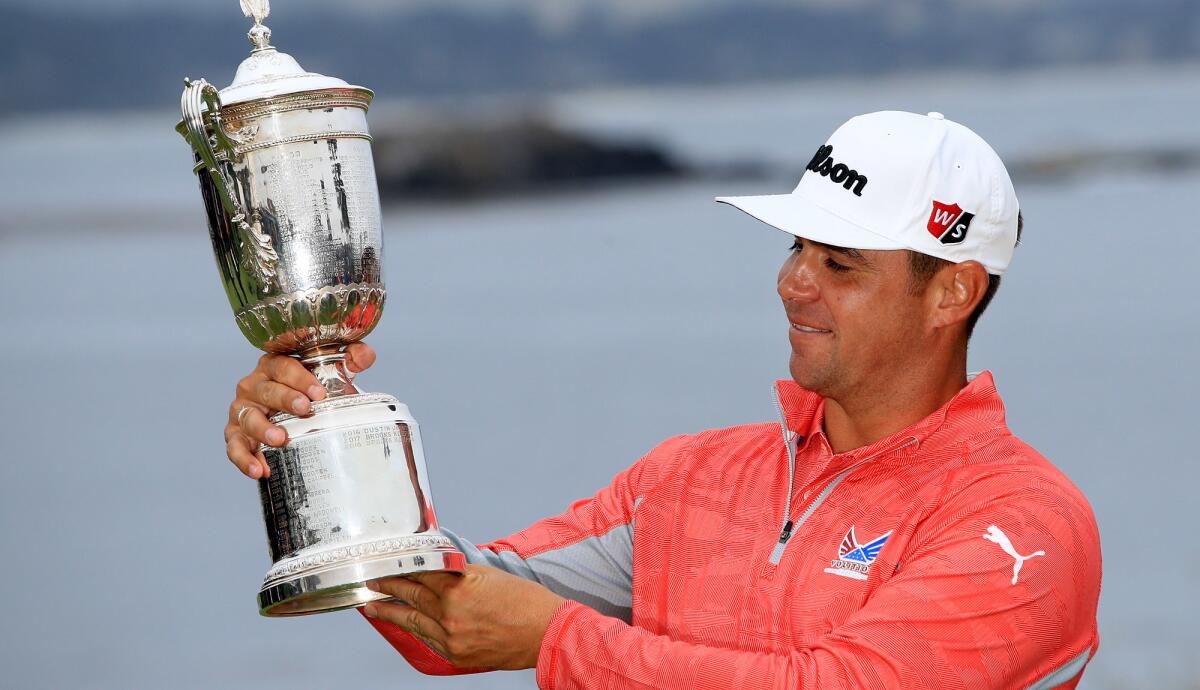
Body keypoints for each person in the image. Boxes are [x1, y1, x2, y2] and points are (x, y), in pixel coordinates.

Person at [224, 111, 1101, 689]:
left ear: (953, 292)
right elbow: (450, 614)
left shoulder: (1022, 523)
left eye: (840, 264)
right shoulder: (690, 477)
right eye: (796, 247)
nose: (793, 282)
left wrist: (562, 641)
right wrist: (317, 437)